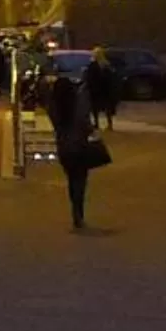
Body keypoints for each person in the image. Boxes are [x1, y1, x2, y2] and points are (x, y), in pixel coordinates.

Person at [44, 62, 108, 230]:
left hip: (63, 145)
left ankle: (76, 210)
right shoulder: (76, 106)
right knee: (80, 180)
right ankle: (78, 212)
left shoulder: (55, 108)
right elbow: (84, 123)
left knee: (72, 179)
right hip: (79, 145)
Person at [87, 50, 122, 132]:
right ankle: (109, 124)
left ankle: (97, 124)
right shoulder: (107, 65)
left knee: (96, 108)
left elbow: (90, 78)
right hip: (106, 90)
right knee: (107, 108)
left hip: (97, 90)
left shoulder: (93, 65)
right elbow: (112, 78)